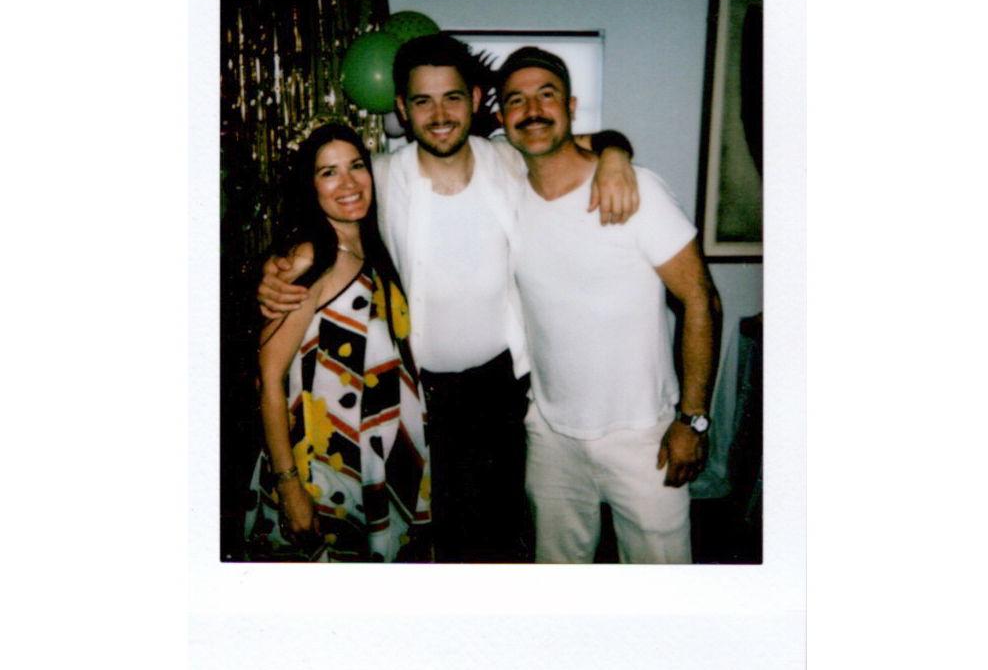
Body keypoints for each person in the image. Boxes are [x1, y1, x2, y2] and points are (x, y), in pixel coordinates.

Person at [257, 33, 639, 562]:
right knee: (435, 540)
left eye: (452, 98)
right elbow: (325, 221)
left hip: (504, 388)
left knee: (505, 533)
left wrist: (617, 153)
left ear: (476, 100)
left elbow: (584, 143)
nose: (439, 115)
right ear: (402, 108)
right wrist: (278, 269)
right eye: (423, 101)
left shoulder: (510, 160)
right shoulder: (380, 177)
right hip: (418, 397)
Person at [496, 46, 723, 564]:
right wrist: (613, 145)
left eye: (546, 95)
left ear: (571, 107)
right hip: (551, 436)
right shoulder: (505, 194)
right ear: (502, 118)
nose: (532, 110)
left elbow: (701, 300)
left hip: (644, 435)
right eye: (516, 101)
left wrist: (693, 420)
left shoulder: (635, 189)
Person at [244, 123, 431, 562]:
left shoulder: (373, 248)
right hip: (320, 468)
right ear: (310, 188)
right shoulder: (310, 257)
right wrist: (288, 486)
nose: (348, 183)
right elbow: (267, 379)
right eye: (328, 172)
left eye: (356, 166)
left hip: (375, 460)